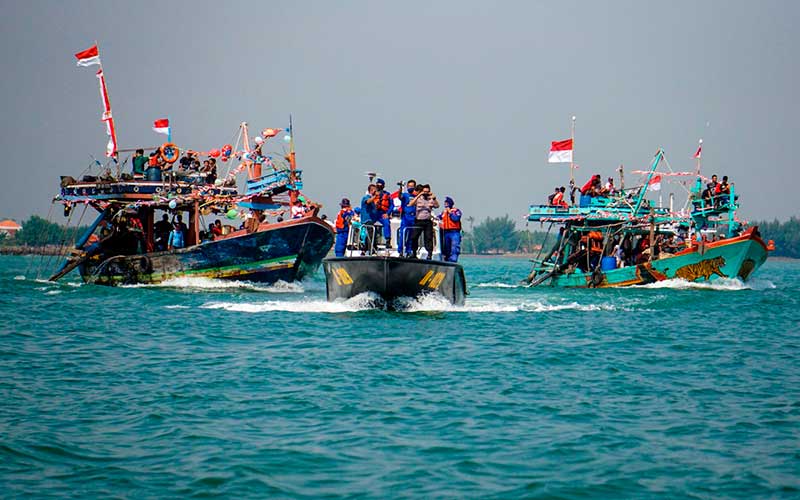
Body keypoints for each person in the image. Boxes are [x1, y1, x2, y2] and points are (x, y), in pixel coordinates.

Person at [409, 184, 439, 259]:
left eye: (427, 192)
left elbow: (437, 206)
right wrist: (419, 195)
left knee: (428, 238)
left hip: (427, 221)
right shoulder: (419, 199)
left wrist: (434, 198)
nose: (426, 193)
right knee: (414, 237)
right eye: (424, 192)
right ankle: (414, 252)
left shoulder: (431, 199)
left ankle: (429, 254)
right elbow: (410, 204)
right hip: (418, 220)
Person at [438, 197, 462, 262]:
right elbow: (438, 218)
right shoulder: (443, 212)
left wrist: (450, 213)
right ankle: (446, 259)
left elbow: (456, 218)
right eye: (445, 203)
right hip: (446, 232)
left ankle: (453, 260)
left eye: (447, 203)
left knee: (454, 247)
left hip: (454, 232)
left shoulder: (456, 211)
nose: (445, 205)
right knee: (446, 248)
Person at [397, 179, 417, 256]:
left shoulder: (417, 196)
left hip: (414, 217)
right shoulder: (405, 195)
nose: (410, 187)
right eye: (409, 186)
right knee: (403, 234)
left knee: (411, 236)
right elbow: (400, 196)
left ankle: (409, 251)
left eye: (412, 186)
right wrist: (400, 187)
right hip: (406, 217)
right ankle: (400, 251)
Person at [372, 178, 392, 248]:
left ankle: (388, 240)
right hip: (374, 213)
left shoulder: (387, 194)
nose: (378, 186)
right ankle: (369, 242)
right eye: (377, 185)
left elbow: (392, 205)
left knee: (386, 223)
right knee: (368, 224)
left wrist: (388, 213)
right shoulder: (372, 194)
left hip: (382, 213)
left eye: (380, 185)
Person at [359, 184, 378, 253]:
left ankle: (366, 249)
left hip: (372, 220)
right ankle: (371, 250)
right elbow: (367, 202)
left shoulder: (373, 200)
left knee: (371, 234)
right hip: (367, 219)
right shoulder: (366, 197)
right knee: (371, 234)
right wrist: (375, 196)